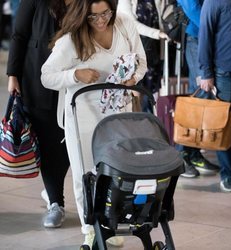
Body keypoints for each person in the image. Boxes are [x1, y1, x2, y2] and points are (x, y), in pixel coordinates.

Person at [41, 0, 147, 248]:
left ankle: (110, 223)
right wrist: (75, 75)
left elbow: (140, 60)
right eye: (93, 16)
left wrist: (133, 78)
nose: (100, 20)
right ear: (82, 15)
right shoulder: (72, 40)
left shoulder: (124, 24)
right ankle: (89, 227)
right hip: (83, 113)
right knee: (85, 172)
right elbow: (46, 75)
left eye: (105, 14)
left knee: (116, 170)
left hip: (118, 110)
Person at [6, 0, 70, 228]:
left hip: (74, 77)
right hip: (36, 76)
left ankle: (53, 190)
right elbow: (20, 35)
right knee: (47, 140)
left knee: (68, 144)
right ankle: (56, 202)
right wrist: (12, 74)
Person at [198, 0, 231, 192]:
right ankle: (228, 176)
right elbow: (205, 35)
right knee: (223, 128)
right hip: (225, 74)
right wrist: (206, 73)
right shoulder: (213, 1)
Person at [174, 0, 219, 178]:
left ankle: (193, 153)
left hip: (211, 38)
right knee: (200, 95)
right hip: (199, 38)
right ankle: (181, 154)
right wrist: (219, 28)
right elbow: (192, 8)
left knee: (203, 97)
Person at [117, 0, 168, 113]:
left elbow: (161, 19)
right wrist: (157, 33)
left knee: (150, 92)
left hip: (153, 51)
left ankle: (148, 124)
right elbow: (131, 23)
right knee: (134, 91)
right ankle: (136, 125)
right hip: (132, 51)